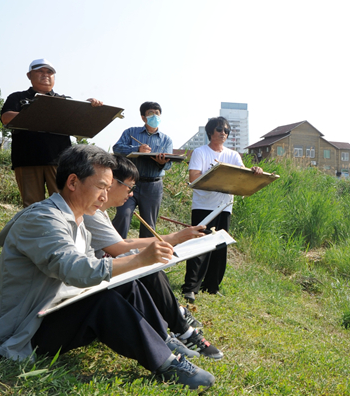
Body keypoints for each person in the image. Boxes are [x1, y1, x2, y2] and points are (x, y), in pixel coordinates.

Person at [0, 145, 215, 390]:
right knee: (104, 303)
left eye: (108, 189)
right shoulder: (42, 220)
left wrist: (138, 261)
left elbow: (95, 267)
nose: (104, 196)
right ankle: (166, 364)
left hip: (51, 309)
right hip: (22, 330)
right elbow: (77, 270)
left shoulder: (77, 220)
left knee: (126, 285)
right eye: (100, 187)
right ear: (72, 182)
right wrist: (139, 259)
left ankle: (163, 341)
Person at [82, 155, 223, 359]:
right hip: (91, 280)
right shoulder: (91, 213)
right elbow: (121, 248)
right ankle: (183, 330)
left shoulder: (99, 212)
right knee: (147, 269)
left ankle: (174, 318)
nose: (131, 195)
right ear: (111, 183)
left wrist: (173, 238)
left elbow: (124, 244)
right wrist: (173, 238)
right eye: (130, 187)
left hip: (98, 273)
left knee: (149, 266)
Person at [0, 58, 104, 207]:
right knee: (32, 205)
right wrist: (40, 114)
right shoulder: (18, 97)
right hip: (27, 159)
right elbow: (6, 118)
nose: (45, 75)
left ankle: (63, 230)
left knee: (65, 203)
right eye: (40, 71)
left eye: (49, 72)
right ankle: (35, 231)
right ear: (29, 75)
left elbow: (79, 121)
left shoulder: (62, 101)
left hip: (60, 161)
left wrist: (88, 107)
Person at [181, 117, 263, 303]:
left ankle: (212, 286)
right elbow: (194, 177)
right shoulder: (200, 152)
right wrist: (217, 174)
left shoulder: (233, 155)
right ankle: (190, 287)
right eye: (219, 129)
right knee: (199, 246)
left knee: (220, 247)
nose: (223, 133)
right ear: (210, 131)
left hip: (225, 206)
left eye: (226, 130)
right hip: (204, 206)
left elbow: (242, 175)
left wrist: (255, 170)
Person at [111, 102, 173, 239]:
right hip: (130, 183)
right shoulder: (130, 132)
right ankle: (114, 250)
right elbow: (117, 149)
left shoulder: (166, 140)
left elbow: (169, 165)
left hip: (153, 185)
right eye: (151, 113)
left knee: (149, 224)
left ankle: (146, 255)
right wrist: (136, 149)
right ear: (143, 117)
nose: (154, 116)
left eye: (157, 113)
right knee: (123, 214)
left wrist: (162, 163)